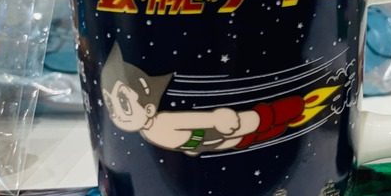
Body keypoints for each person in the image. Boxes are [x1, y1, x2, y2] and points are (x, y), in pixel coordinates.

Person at [100, 43, 338, 154]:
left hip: (217, 129)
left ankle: (297, 107)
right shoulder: (148, 132)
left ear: (149, 108)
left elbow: (193, 121)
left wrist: (215, 118)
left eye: (123, 103)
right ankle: (292, 115)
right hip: (209, 141)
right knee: (251, 135)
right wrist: (193, 148)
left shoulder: (161, 122)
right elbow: (186, 141)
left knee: (254, 122)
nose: (116, 113)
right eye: (110, 103)